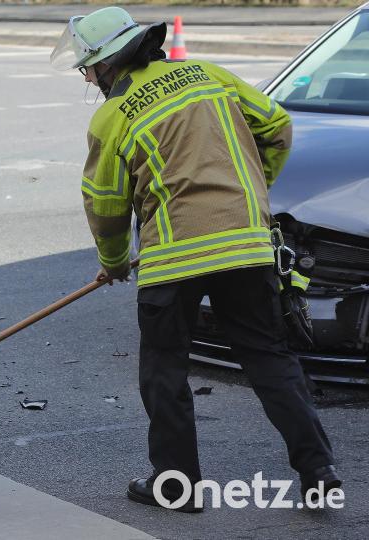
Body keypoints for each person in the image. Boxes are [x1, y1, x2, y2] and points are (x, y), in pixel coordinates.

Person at [50, 6, 339, 511]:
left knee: (164, 370)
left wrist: (114, 260)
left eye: (88, 68)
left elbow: (106, 204)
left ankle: (177, 485)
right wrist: (252, 192)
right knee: (270, 359)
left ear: (106, 65)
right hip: (246, 247)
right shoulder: (209, 75)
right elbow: (275, 126)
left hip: (172, 259)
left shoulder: (111, 117)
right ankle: (318, 472)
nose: (89, 78)